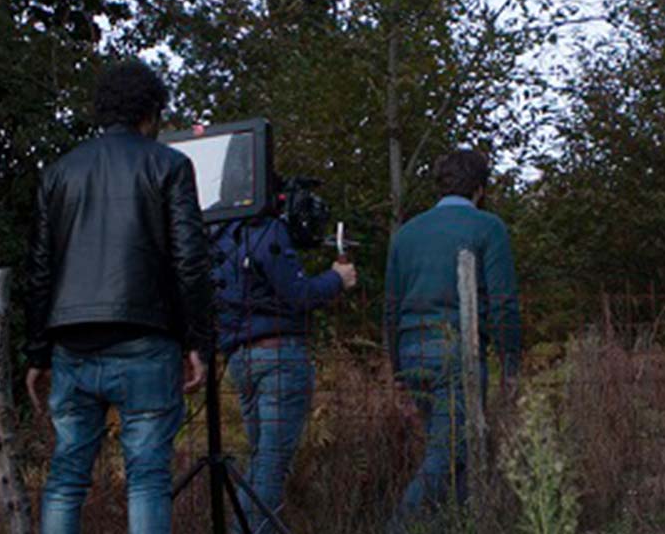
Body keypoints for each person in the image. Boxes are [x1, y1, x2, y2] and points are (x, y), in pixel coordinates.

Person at [23, 59, 213, 534]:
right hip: (146, 339)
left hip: (73, 341)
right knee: (147, 478)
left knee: (66, 477)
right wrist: (199, 341)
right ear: (150, 113)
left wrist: (37, 349)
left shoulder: (59, 172)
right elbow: (190, 260)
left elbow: (40, 269)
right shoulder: (170, 165)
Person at [382, 149, 521, 529]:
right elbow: (503, 302)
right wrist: (511, 363)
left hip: (412, 351)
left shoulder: (406, 234)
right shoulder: (487, 227)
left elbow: (390, 310)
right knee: (451, 450)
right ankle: (397, 527)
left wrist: (399, 377)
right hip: (457, 350)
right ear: (480, 189)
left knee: (457, 461)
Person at [214, 195, 359, 530]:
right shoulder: (267, 230)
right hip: (279, 356)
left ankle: (248, 525)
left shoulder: (221, 234)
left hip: (241, 357)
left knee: (262, 459)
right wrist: (337, 279)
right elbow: (297, 294)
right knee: (271, 464)